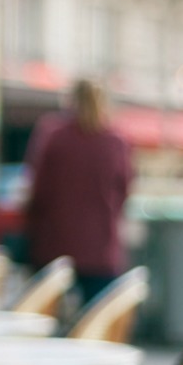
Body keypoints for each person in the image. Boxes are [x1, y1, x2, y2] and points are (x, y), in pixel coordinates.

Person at [24, 78, 134, 305]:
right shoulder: (115, 142)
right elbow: (124, 192)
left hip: (55, 245)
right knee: (94, 324)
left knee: (48, 319)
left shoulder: (54, 135)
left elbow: (38, 190)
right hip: (101, 248)